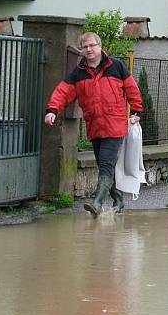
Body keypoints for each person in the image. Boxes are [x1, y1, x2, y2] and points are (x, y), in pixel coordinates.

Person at [44, 32, 143, 217]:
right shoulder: (78, 73)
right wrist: (52, 110)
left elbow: (131, 88)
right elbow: (63, 92)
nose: (89, 49)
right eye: (85, 47)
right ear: (82, 50)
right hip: (95, 127)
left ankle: (97, 204)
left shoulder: (116, 66)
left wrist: (137, 111)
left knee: (106, 164)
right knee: (106, 166)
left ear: (100, 46)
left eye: (92, 45)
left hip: (115, 125)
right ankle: (119, 201)